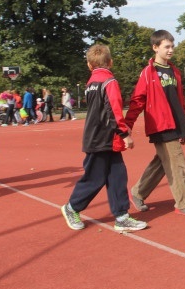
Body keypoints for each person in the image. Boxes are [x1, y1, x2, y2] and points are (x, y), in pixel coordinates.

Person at [60, 44, 146, 232]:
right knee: (95, 178)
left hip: (100, 137)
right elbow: (114, 111)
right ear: (110, 62)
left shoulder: (91, 83)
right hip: (102, 138)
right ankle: (72, 207)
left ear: (89, 66)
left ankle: (121, 216)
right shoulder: (109, 81)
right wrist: (125, 134)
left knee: (117, 176)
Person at [126, 30, 185, 216]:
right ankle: (183, 203)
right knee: (177, 162)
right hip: (159, 124)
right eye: (166, 46)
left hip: (175, 123)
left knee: (163, 161)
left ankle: (138, 192)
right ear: (155, 47)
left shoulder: (174, 71)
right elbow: (137, 100)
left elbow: (179, 101)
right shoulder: (148, 73)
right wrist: (127, 124)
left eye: (172, 46)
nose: (171, 50)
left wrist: (183, 127)